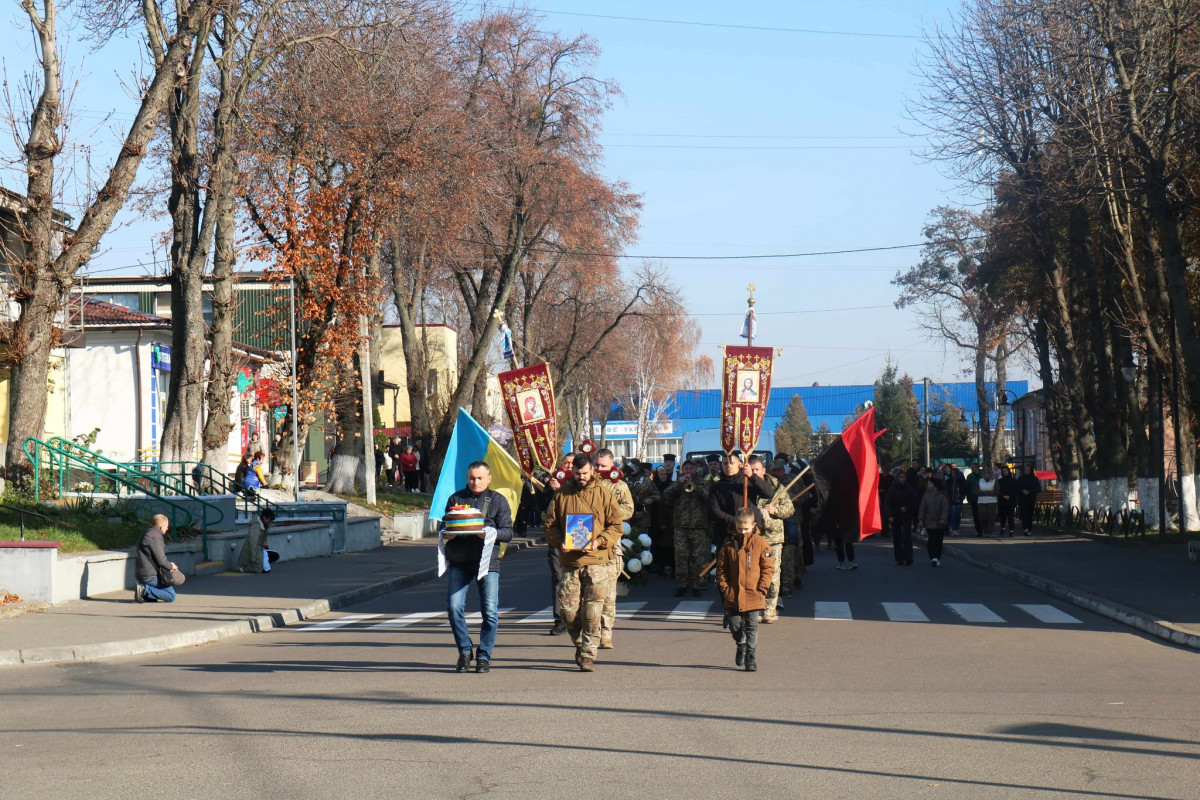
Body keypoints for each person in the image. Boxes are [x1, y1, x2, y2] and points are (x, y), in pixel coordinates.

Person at [543, 453, 623, 672]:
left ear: (592, 471)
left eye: (585, 473)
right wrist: (560, 542)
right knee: (568, 612)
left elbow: (616, 526)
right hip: (570, 560)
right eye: (577, 474)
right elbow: (549, 524)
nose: (581, 477)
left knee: (592, 609)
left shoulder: (604, 493)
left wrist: (600, 541)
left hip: (598, 560)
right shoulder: (561, 495)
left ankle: (589, 653)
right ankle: (580, 642)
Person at [439, 461, 514, 673]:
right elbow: (444, 527)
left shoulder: (498, 500)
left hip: (487, 561)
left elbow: (508, 532)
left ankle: (484, 655)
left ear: (489, 479)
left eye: (480, 478)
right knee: (454, 607)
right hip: (460, 560)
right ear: (467, 478)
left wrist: (489, 533)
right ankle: (464, 651)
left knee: (490, 612)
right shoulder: (456, 498)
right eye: (472, 478)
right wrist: (448, 533)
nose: (475, 482)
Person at [717, 507, 774, 672]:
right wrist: (724, 587)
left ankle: (751, 656)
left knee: (752, 627)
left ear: (753, 525)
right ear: (735, 525)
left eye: (746, 528)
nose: (742, 531)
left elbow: (768, 568)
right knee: (734, 625)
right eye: (739, 528)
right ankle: (740, 643)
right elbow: (722, 568)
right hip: (733, 594)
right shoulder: (728, 544)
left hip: (754, 593)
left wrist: (763, 588)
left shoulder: (760, 543)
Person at [594, 448, 634, 650]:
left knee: (609, 593)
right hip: (588, 544)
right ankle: (592, 632)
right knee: (590, 594)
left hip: (611, 545)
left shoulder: (619, 485)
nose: (599, 469)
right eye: (597, 465)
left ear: (612, 465)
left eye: (603, 465)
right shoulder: (587, 483)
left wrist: (610, 512)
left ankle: (606, 633)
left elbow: (629, 509)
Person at [749, 456, 793, 623]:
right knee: (754, 574)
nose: (754, 473)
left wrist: (775, 510)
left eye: (757, 470)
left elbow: (790, 509)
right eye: (751, 470)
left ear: (763, 471)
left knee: (772, 575)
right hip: (752, 538)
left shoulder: (777, 488)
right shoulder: (746, 487)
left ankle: (769, 608)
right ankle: (756, 606)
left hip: (772, 538)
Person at [662, 459, 711, 597]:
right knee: (681, 556)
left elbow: (708, 498)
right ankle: (682, 584)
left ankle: (697, 585)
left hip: (699, 526)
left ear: (696, 470)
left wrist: (695, 487)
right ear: (682, 470)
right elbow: (666, 497)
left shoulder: (703, 482)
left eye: (691, 468)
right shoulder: (677, 483)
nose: (688, 471)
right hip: (680, 526)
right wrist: (679, 483)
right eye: (686, 469)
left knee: (698, 557)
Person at [708, 452, 771, 548]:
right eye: (725, 463)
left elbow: (768, 493)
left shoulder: (748, 481)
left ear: (740, 464)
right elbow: (714, 511)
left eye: (731, 463)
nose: (728, 466)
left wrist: (752, 476)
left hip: (750, 530)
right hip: (727, 532)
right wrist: (735, 521)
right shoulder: (717, 486)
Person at [134, 514, 179, 603]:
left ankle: (145, 593)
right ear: (161, 526)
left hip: (141, 573)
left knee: (154, 598)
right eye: (166, 526)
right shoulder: (155, 536)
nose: (167, 529)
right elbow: (161, 560)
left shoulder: (146, 533)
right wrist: (171, 566)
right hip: (150, 575)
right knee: (171, 596)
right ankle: (144, 589)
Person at [884, 470, 919, 566]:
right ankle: (899, 558)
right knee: (897, 537)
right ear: (897, 478)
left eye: (904, 477)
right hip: (895, 516)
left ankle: (908, 557)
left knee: (907, 536)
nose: (902, 479)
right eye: (901, 477)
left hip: (907, 515)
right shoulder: (892, 489)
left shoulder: (909, 489)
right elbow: (887, 503)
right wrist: (889, 515)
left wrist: (907, 507)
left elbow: (915, 501)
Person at [918, 477, 950, 566]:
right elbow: (922, 508)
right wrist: (921, 519)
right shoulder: (926, 496)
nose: (928, 485)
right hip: (929, 521)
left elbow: (945, 509)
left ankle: (937, 557)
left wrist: (943, 518)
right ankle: (933, 557)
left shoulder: (942, 496)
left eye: (930, 484)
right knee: (931, 540)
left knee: (939, 540)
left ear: (935, 485)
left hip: (940, 522)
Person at [238, 508, 277, 573]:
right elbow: (253, 542)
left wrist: (265, 545)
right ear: (264, 517)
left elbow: (263, 539)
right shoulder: (256, 527)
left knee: (265, 568)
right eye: (269, 520)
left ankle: (245, 566)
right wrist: (253, 557)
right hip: (255, 549)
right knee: (259, 568)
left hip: (260, 548)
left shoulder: (263, 525)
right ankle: (244, 568)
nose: (269, 521)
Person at [1016, 464, 1041, 535]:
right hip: (1022, 499)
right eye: (1025, 469)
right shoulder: (1021, 478)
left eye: (1028, 470)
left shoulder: (1034, 479)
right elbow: (1016, 487)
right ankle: (1025, 528)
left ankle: (1029, 528)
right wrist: (1022, 490)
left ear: (1031, 470)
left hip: (1031, 499)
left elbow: (1038, 488)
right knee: (1024, 514)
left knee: (1030, 514)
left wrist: (1030, 491)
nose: (1026, 471)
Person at [996, 465, 1018, 536]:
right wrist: (1003, 496)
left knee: (1011, 516)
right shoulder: (1000, 481)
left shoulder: (1013, 481)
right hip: (1002, 501)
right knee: (1002, 516)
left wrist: (1010, 496)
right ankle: (1002, 528)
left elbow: (1015, 491)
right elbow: (998, 491)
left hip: (1011, 501)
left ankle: (1011, 530)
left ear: (1008, 471)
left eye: (1005, 471)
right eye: (1003, 471)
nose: (1004, 472)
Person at [976, 468, 998, 537]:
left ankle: (990, 531)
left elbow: (997, 491)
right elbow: (976, 491)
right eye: (985, 473)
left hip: (992, 501)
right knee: (982, 517)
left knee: (991, 517)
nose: (986, 475)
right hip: (981, 501)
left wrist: (989, 492)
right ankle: (984, 528)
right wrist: (985, 492)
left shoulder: (994, 481)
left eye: (988, 473)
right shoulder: (980, 481)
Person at [946, 464, 967, 535]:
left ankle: (957, 528)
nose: (952, 474)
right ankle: (954, 529)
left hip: (958, 500)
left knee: (958, 515)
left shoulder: (961, 480)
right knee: (952, 515)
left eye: (954, 473)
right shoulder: (949, 481)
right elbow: (947, 490)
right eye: (952, 473)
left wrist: (962, 496)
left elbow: (964, 489)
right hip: (951, 500)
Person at [966, 463, 982, 534]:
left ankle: (984, 528)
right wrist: (968, 498)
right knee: (976, 515)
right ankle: (978, 530)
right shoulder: (969, 476)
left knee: (983, 514)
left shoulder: (983, 474)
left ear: (977, 468)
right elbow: (968, 488)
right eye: (971, 467)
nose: (972, 469)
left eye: (974, 467)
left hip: (983, 498)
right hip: (973, 498)